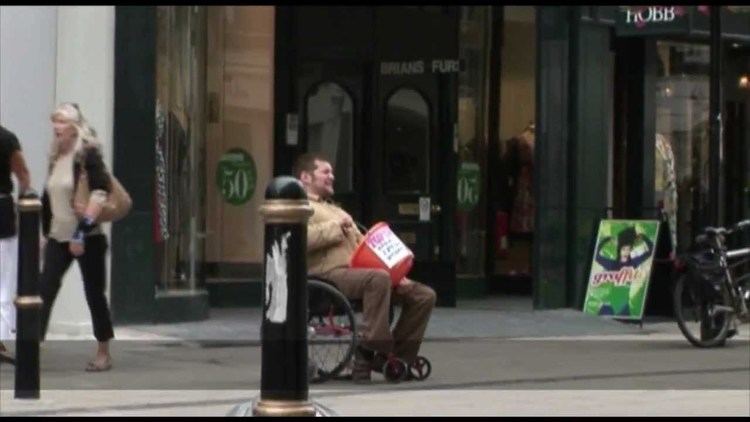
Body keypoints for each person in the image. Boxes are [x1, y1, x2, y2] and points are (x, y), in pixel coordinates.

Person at [293, 153, 436, 383]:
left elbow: (366, 245)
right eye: (325, 172)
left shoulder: (338, 210)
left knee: (423, 295)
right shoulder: (300, 207)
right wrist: (335, 228)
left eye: (331, 172)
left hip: (359, 274)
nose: (332, 176)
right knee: (377, 279)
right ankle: (368, 349)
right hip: (328, 275)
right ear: (306, 177)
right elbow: (299, 240)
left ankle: (396, 359)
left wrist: (396, 275)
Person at [39, 103, 114, 372]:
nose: (56, 127)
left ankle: (103, 351)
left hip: (88, 237)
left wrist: (81, 233)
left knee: (94, 293)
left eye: (61, 122)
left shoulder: (87, 154)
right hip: (59, 237)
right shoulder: (55, 155)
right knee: (44, 290)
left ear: (73, 127)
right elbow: (49, 197)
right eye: (54, 122)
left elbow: (100, 192)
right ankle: (32, 347)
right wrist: (45, 233)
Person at [0, 124, 31, 364]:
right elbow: (22, 174)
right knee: (3, 279)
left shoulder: (6, 139)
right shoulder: (7, 138)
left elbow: (22, 174)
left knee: (3, 277)